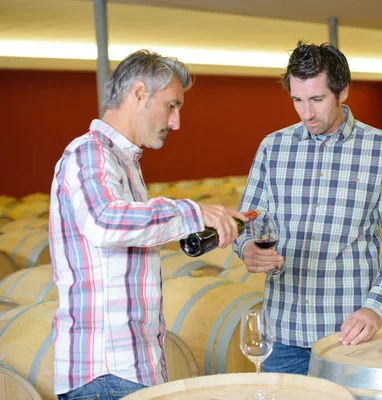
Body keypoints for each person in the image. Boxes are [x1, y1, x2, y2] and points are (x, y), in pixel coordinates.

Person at [48, 49, 247, 400]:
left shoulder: (125, 164)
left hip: (130, 368)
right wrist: (195, 213)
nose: (176, 122)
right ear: (139, 93)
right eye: (172, 105)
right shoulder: (88, 153)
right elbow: (105, 221)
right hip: (106, 373)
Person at [232, 41, 382, 375]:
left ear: (343, 91)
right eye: (297, 100)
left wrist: (375, 306)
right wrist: (245, 247)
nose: (306, 113)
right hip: (283, 335)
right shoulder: (272, 148)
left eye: (317, 99)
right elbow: (246, 221)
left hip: (348, 334)